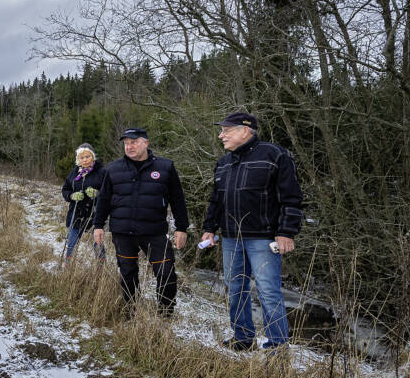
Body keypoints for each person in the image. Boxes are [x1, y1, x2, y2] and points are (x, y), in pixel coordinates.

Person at [200, 112, 303, 351]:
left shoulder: (274, 155)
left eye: (226, 130)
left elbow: (291, 197)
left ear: (245, 130)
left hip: (263, 238)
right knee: (235, 288)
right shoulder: (224, 163)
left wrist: (286, 231)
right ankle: (243, 337)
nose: (220, 135)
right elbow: (216, 200)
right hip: (230, 238)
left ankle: (277, 347)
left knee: (268, 291)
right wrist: (209, 229)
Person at [92, 128, 189, 317]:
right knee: (128, 274)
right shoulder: (113, 169)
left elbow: (177, 199)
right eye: (126, 143)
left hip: (154, 232)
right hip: (123, 232)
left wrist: (181, 228)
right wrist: (98, 225)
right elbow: (103, 199)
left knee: (166, 273)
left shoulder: (165, 167)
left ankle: (165, 313)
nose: (129, 146)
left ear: (146, 143)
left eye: (134, 142)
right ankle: (130, 311)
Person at [61, 143, 106, 260]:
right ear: (78, 159)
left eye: (88, 156)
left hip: (95, 215)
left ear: (93, 157)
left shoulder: (102, 172)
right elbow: (65, 189)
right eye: (82, 157)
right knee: (71, 244)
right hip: (76, 214)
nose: (85, 160)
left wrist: (98, 194)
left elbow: (109, 191)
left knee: (98, 243)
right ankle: (69, 266)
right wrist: (71, 196)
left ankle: (101, 268)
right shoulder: (74, 172)